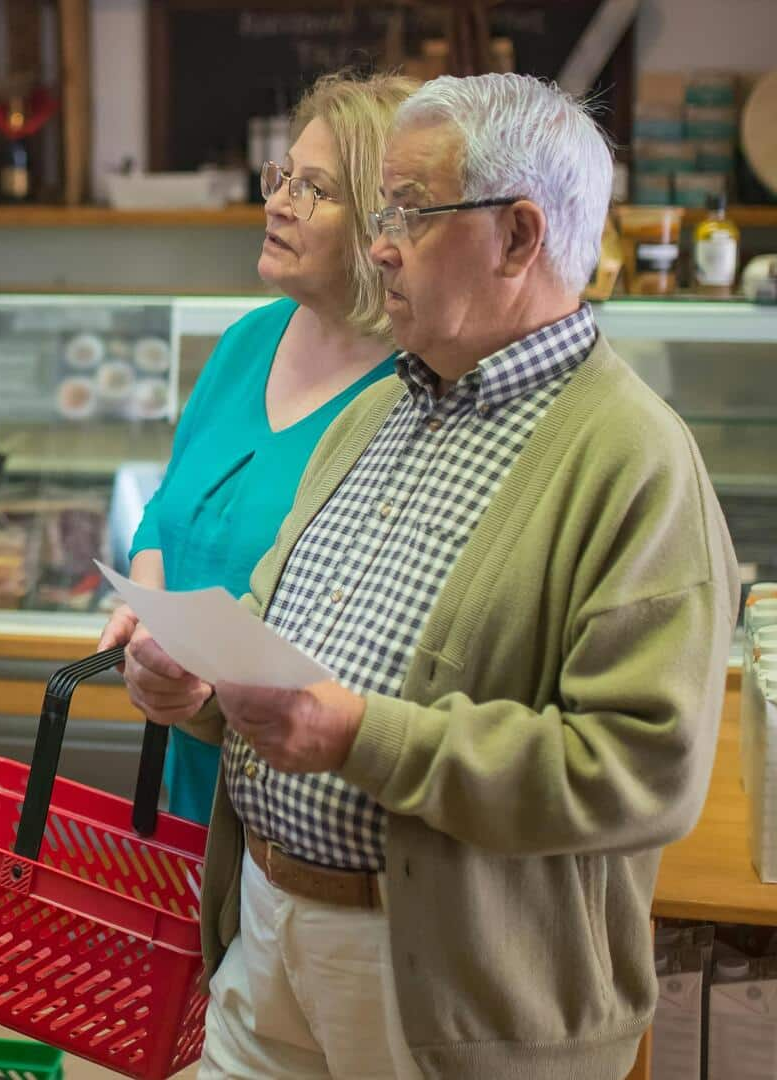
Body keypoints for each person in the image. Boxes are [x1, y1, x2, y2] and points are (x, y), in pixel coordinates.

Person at [121, 73, 735, 1079]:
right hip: (265, 942)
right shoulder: (377, 413)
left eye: (411, 211)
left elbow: (643, 770)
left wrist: (364, 738)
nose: (378, 242)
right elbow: (276, 659)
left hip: (450, 997)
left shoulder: (633, 460)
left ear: (520, 237)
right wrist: (196, 692)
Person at [98, 70, 417, 824]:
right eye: (282, 176)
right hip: (193, 783)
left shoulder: (414, 390)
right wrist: (151, 630)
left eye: (314, 189)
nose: (275, 202)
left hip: (313, 805)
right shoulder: (249, 340)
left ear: (386, 223)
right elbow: (166, 511)